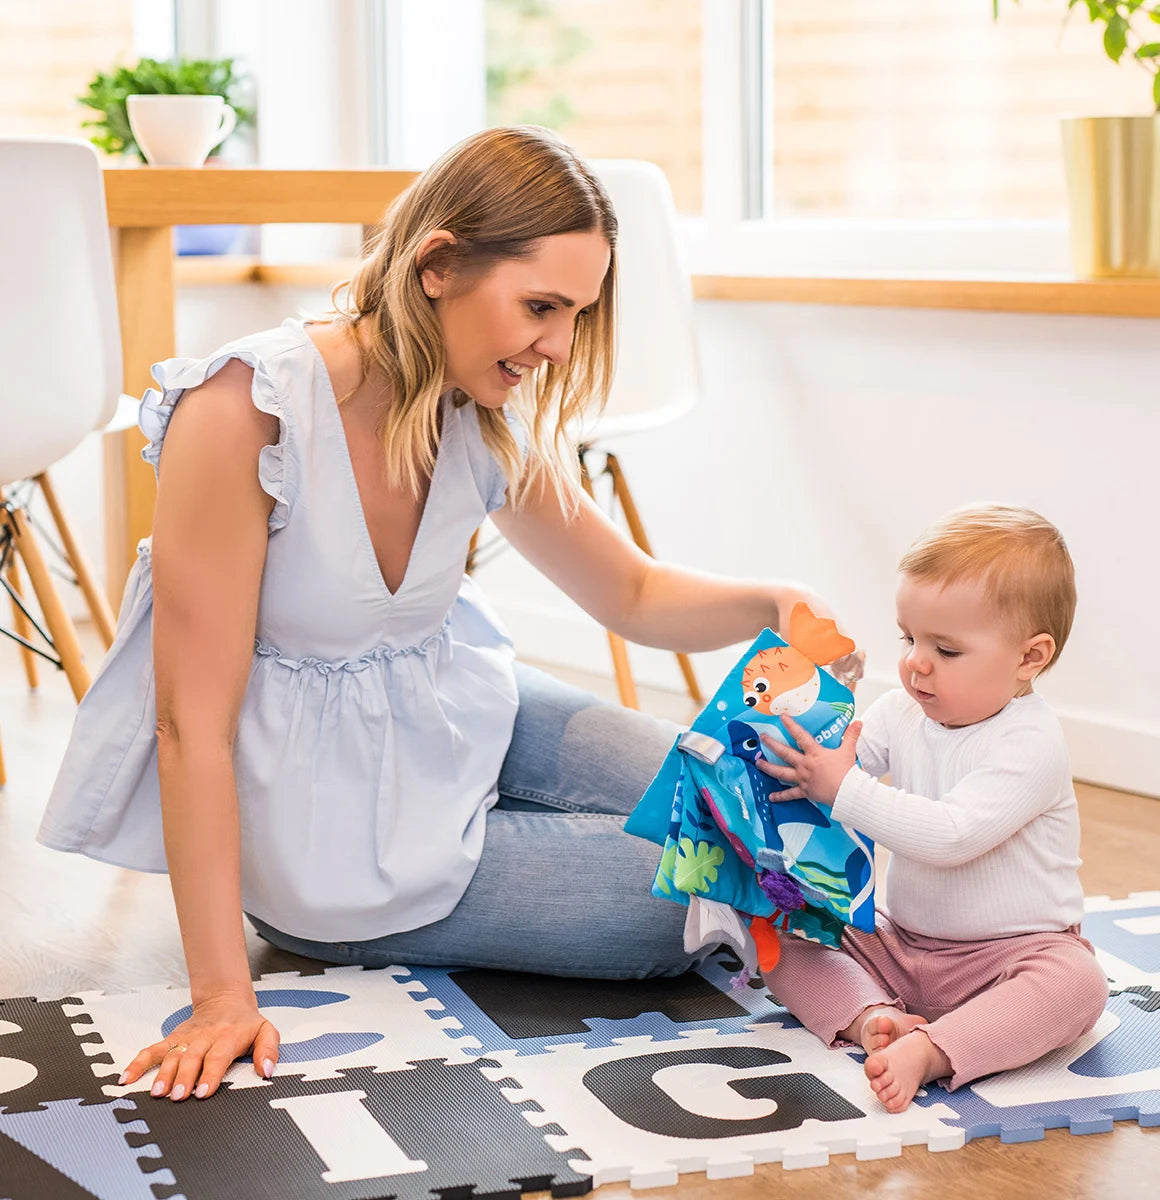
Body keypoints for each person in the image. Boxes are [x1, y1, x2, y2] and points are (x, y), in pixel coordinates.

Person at [37, 126, 850, 1104]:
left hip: (457, 710)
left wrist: (772, 599)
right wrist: (220, 997)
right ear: (438, 265)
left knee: (748, 800)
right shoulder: (247, 409)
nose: (559, 347)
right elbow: (189, 726)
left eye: (577, 315)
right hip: (333, 847)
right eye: (541, 307)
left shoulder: (478, 405)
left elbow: (630, 591)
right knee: (690, 892)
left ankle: (516, 838)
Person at [755, 504, 1109, 1114]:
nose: (916, 662)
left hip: (1009, 956)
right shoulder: (903, 710)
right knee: (784, 931)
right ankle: (872, 1017)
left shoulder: (1031, 743)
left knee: (1078, 985)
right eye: (909, 638)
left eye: (945, 649)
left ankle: (935, 1050)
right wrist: (790, 732)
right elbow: (840, 760)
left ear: (1029, 658)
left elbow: (950, 835)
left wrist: (843, 789)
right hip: (900, 942)